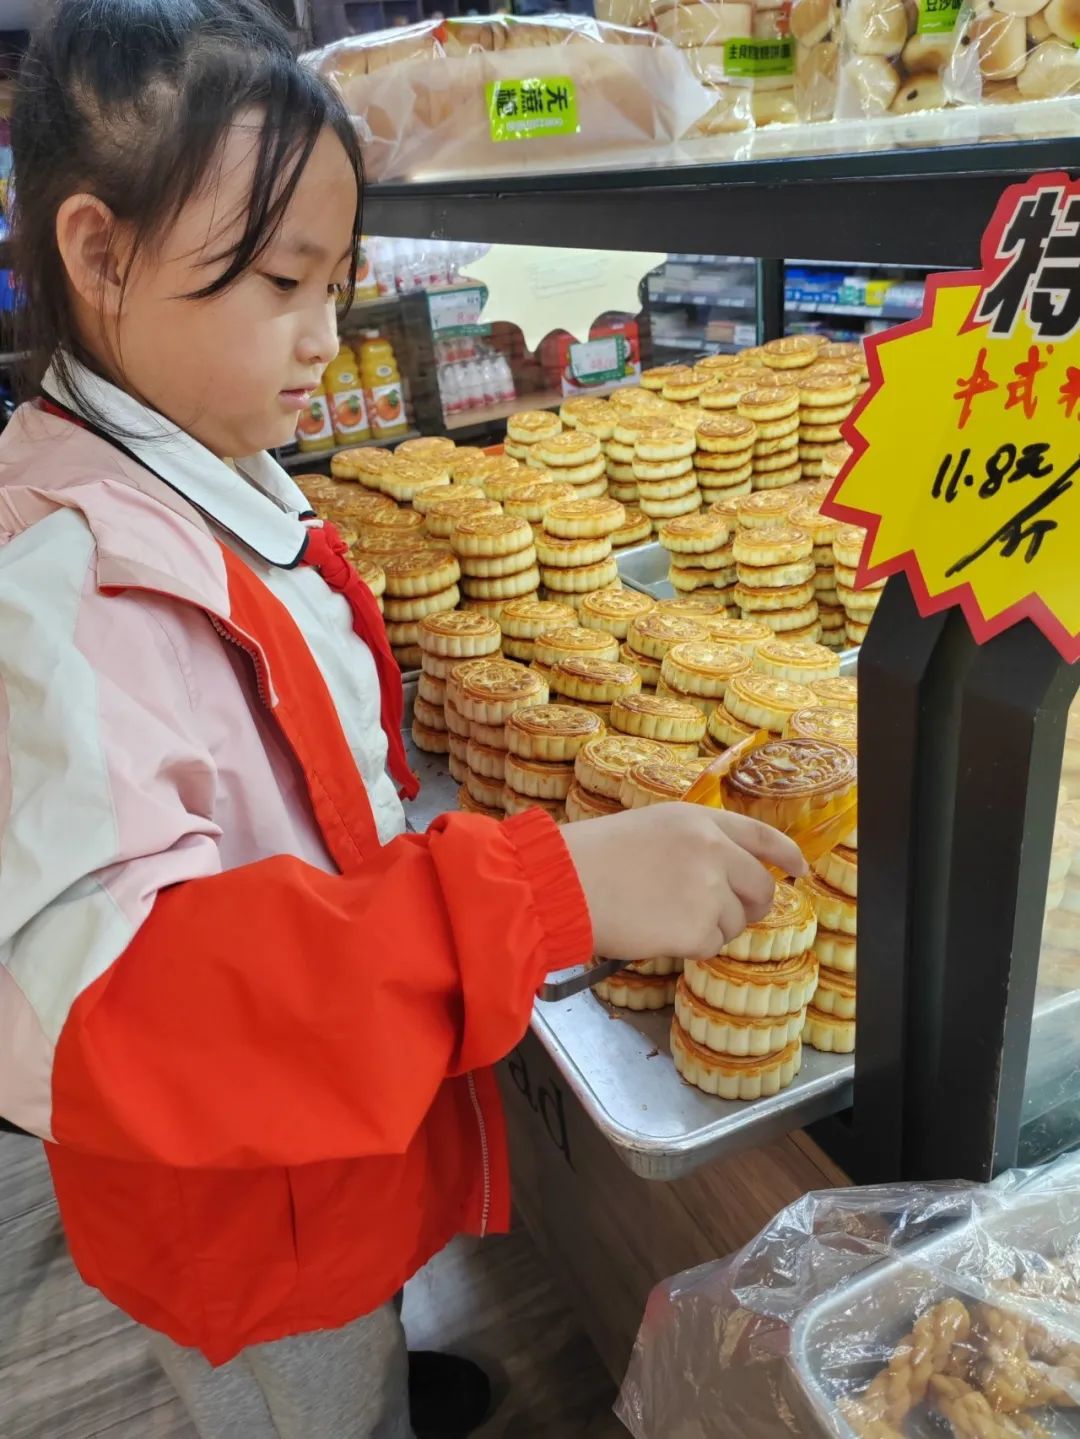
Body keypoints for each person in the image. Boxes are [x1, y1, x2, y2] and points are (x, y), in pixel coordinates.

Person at [0, 3, 805, 1437]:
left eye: (340, 280)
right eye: (279, 284)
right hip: (245, 1220)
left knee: (349, 1342)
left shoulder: (207, 464)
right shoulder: (57, 589)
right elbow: (124, 1018)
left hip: (321, 1161)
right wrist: (541, 895)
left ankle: (366, 1373)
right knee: (306, 1395)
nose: (328, 338)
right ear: (99, 254)